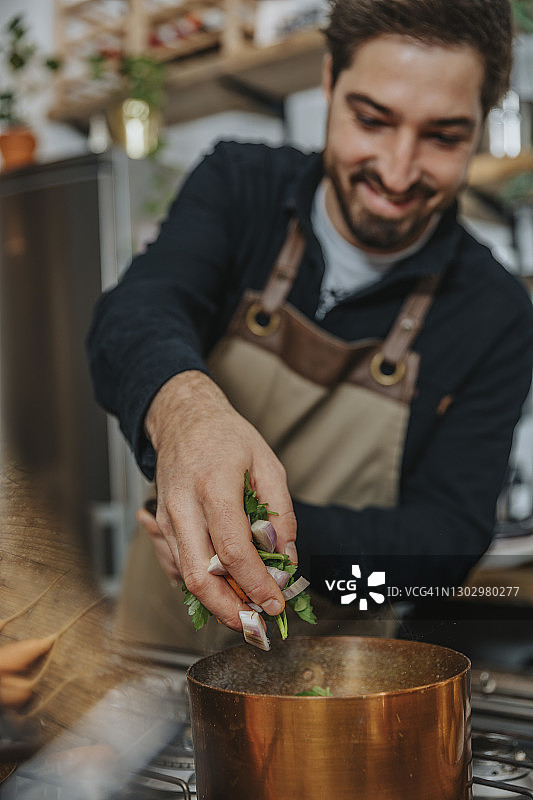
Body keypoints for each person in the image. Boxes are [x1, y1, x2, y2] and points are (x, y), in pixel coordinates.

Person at [87, 0, 533, 648]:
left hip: (339, 675)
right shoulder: (239, 185)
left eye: (442, 136)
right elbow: (132, 314)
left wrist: (249, 534)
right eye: (371, 119)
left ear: (480, 126)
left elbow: (443, 543)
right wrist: (187, 413)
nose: (397, 170)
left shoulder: (494, 311)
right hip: (157, 651)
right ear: (328, 83)